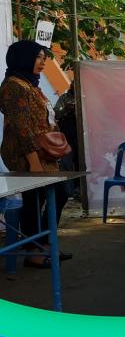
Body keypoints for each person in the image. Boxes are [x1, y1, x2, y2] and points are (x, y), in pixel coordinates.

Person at [0, 41, 71, 268]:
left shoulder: (30, 84)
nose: (43, 62)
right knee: (35, 199)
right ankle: (34, 251)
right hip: (26, 154)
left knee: (58, 194)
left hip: (43, 152)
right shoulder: (13, 86)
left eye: (43, 57)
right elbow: (23, 128)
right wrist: (33, 162)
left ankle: (42, 244)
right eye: (39, 57)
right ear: (23, 58)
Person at [54, 81, 78, 197]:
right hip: (67, 136)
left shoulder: (86, 96)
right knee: (66, 162)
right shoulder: (64, 98)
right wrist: (66, 109)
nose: (75, 85)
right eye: (73, 83)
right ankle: (69, 191)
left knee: (81, 163)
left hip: (82, 136)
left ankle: (80, 189)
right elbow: (55, 113)